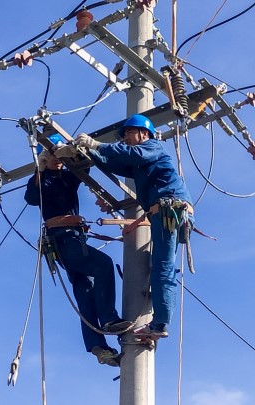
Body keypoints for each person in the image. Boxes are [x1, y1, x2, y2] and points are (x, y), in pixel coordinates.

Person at [71, 114, 194, 339]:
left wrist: (96, 144)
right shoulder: (141, 162)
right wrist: (91, 152)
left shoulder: (152, 147)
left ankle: (159, 325)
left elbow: (129, 154)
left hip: (170, 211)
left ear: (143, 133)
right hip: (164, 213)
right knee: (160, 265)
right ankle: (159, 321)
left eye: (128, 132)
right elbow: (115, 163)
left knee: (163, 267)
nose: (125, 137)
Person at [24, 134, 132, 367]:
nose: (56, 160)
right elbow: (31, 198)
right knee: (102, 265)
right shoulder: (41, 180)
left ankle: (98, 346)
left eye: (58, 155)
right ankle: (109, 319)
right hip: (62, 240)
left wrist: (79, 149)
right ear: (45, 157)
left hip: (74, 237)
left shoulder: (67, 177)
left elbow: (85, 166)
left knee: (85, 288)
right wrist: (40, 169)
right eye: (52, 155)